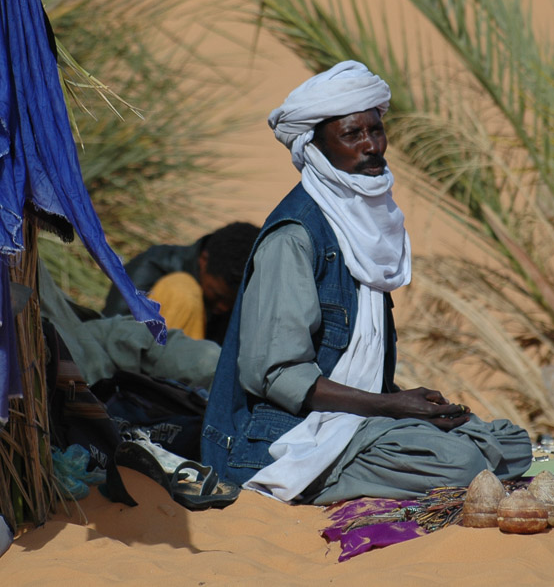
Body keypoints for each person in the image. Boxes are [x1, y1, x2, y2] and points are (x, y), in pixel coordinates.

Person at [201, 61, 532, 504]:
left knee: (510, 442)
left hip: (357, 419)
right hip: (283, 438)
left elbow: (352, 359)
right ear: (315, 146)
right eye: (352, 135)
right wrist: (391, 407)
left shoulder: (361, 226)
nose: (372, 146)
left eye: (376, 130)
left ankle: (401, 453)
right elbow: (276, 376)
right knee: (461, 463)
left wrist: (404, 403)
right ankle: (318, 482)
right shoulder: (295, 237)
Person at [102, 222, 259, 345]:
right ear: (204, 261)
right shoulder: (153, 269)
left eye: (232, 303)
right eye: (218, 296)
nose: (224, 308)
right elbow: (111, 334)